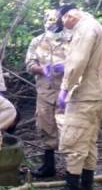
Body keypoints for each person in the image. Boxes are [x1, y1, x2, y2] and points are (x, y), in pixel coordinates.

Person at [42, 5, 102, 190]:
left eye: (63, 21)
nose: (64, 26)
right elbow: (87, 60)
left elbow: (79, 60)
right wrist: (62, 66)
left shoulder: (83, 28)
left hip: (85, 94)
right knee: (88, 142)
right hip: (98, 93)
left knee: (73, 141)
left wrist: (64, 89)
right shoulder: (96, 26)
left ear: (70, 16)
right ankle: (86, 188)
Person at [25, 9, 70, 178]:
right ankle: (48, 167)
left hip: (66, 93)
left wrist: (66, 67)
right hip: (44, 92)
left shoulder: (71, 40)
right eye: (48, 20)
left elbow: (80, 62)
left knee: (67, 130)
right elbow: (29, 65)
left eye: (55, 20)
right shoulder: (37, 41)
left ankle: (71, 170)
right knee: (45, 128)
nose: (51, 23)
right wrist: (43, 69)